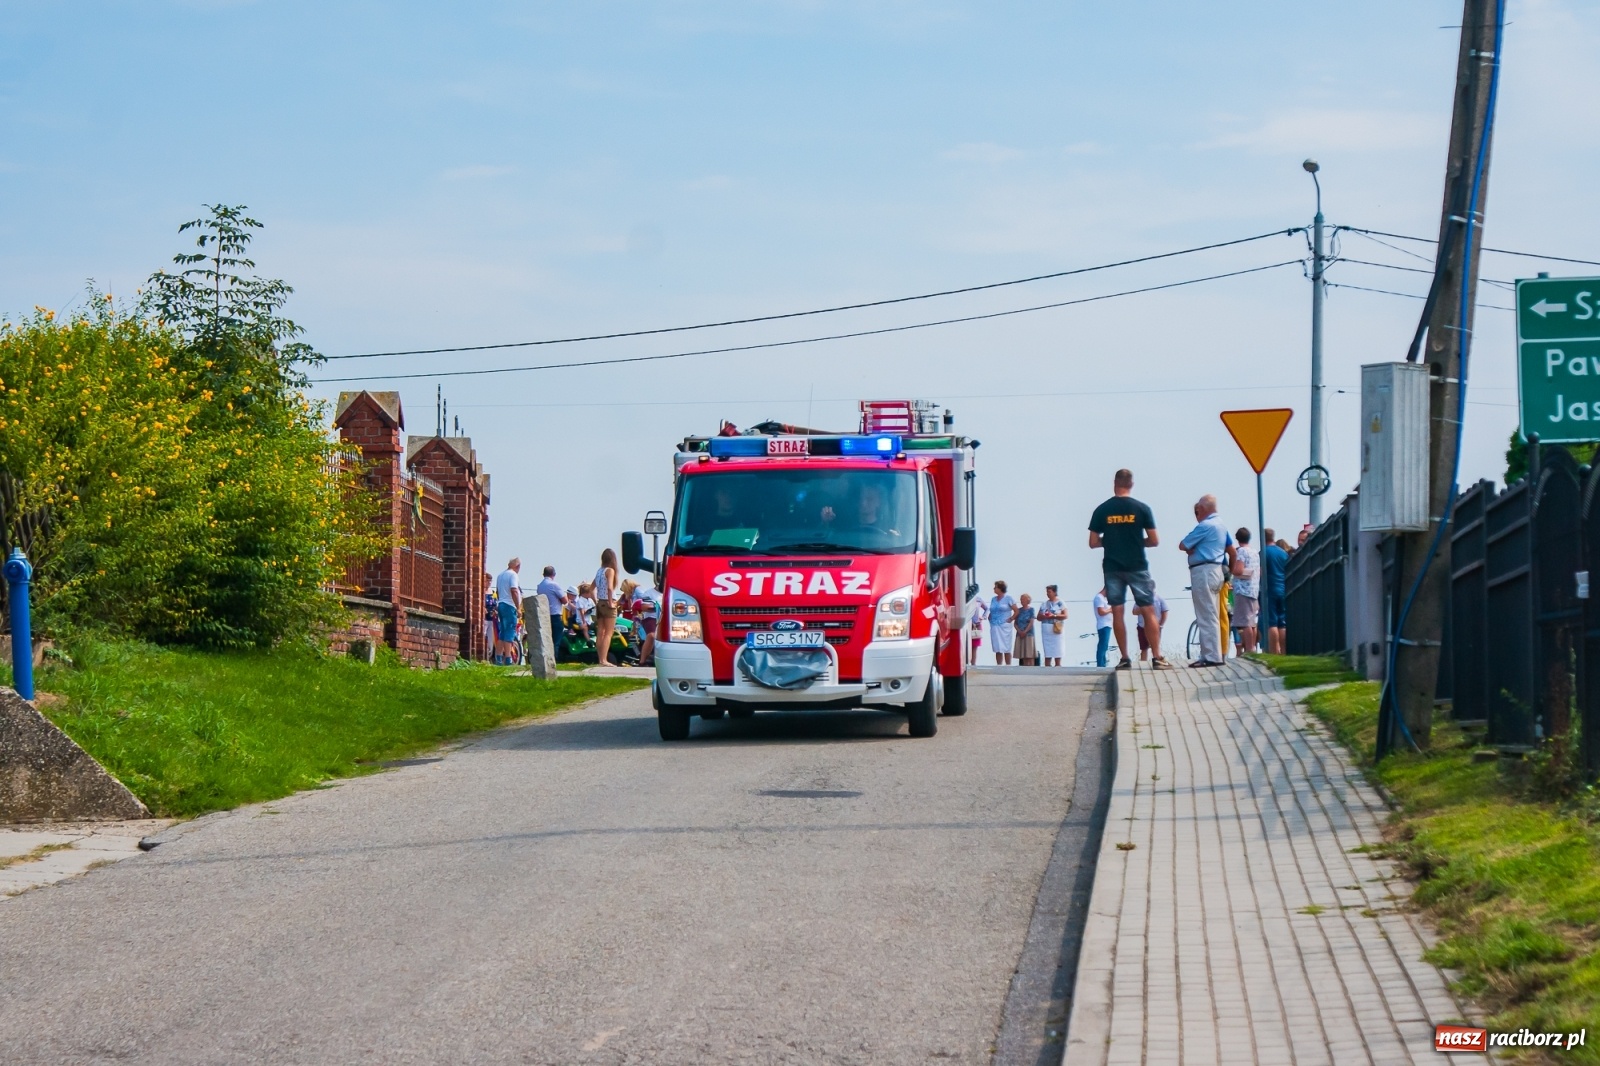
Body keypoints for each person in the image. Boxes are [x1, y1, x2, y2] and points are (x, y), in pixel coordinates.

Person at [1088, 469, 1171, 670]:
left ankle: (1124, 658)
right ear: (1131, 484)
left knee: (1117, 611)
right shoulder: (1142, 509)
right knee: (1148, 609)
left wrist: (1110, 541)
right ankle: (1158, 657)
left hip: (1112, 566)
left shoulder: (1102, 510)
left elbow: (1092, 542)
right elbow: (1154, 540)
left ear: (1114, 483)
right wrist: (1135, 541)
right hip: (1137, 565)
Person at [1179, 496, 1236, 667]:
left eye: (1198, 510)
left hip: (1204, 570)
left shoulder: (1205, 526)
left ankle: (1211, 656)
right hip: (1217, 570)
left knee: (1206, 615)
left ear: (1203, 508)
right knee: (1214, 614)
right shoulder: (1221, 525)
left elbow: (1183, 544)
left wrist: (1192, 549)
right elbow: (1232, 552)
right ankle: (1214, 653)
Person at [1261, 527, 1290, 654]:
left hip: (1269, 590)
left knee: (1272, 623)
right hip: (1283, 588)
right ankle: (1284, 651)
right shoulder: (1283, 553)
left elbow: (1260, 573)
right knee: (1282, 623)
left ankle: (1274, 652)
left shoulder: (1263, 553)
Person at [1231, 529, 1260, 654]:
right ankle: (1252, 646)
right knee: (1252, 621)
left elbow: (1238, 570)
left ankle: (1249, 649)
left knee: (1245, 622)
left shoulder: (1241, 551)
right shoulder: (1254, 552)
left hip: (1243, 589)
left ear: (1237, 539)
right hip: (1254, 588)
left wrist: (1232, 569)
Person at [492, 558, 523, 665]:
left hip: (501, 604)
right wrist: (518, 607)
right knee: (510, 632)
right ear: (517, 566)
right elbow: (514, 590)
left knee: (503, 633)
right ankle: (508, 658)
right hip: (510, 605)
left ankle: (499, 657)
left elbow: (498, 591)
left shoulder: (500, 575)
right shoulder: (513, 575)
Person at [593, 548, 620, 666]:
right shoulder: (610, 570)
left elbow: (590, 588)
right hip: (608, 603)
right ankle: (604, 660)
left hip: (600, 602)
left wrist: (596, 601)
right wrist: (610, 602)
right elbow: (610, 587)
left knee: (600, 632)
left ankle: (600, 659)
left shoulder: (599, 571)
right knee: (609, 633)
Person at [989, 580, 1018, 665]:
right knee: (997, 647)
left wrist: (1011, 618)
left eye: (995, 587)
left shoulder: (1009, 598)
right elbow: (992, 609)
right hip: (994, 624)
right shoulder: (993, 599)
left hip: (1004, 625)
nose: (994, 589)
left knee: (1006, 646)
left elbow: (1016, 611)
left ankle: (1008, 665)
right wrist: (990, 616)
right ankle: (999, 665)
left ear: (1000, 588)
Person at [1038, 586, 1067, 667]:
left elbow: (1065, 615)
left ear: (1054, 592)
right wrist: (1044, 616)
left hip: (1056, 629)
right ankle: (1047, 668)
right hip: (1046, 630)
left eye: (1049, 592)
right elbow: (1038, 617)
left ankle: (1058, 666)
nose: (1047, 593)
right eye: (1047, 592)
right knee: (1048, 652)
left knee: (1058, 651)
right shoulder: (1044, 604)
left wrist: (1054, 615)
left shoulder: (1060, 603)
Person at [1135, 592, 1169, 662]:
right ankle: (1143, 664)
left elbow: (1165, 611)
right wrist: (1143, 609)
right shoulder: (1140, 599)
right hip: (1142, 627)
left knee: (1155, 646)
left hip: (1155, 627)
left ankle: (1157, 659)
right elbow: (1134, 612)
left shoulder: (1159, 599)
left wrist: (1161, 624)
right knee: (1144, 648)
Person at [1014, 593, 1038, 666]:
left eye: (1023, 599)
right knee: (1023, 654)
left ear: (1028, 600)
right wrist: (1019, 631)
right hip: (1020, 634)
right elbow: (1015, 623)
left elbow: (1031, 622)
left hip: (1029, 634)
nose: (1022, 601)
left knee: (1030, 654)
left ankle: (1031, 670)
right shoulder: (1019, 610)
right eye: (1021, 599)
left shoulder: (1031, 610)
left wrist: (1025, 631)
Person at [1092, 588, 1113, 667]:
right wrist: (1111, 610)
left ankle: (1103, 663)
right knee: (1102, 645)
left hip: (1107, 624)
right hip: (1103, 625)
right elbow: (1101, 612)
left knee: (1105, 646)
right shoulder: (1099, 598)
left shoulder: (1102, 599)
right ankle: (1100, 664)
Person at [968, 597, 988, 665]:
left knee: (974, 646)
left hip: (976, 625)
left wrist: (983, 617)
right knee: (966, 645)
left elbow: (987, 609)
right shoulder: (964, 597)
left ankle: (973, 664)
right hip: (967, 625)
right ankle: (966, 664)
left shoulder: (979, 599)